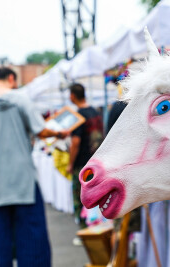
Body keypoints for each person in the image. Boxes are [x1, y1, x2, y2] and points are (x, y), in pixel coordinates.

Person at [0, 66, 69, 267]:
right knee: (33, 245)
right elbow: (40, 131)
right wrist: (58, 133)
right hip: (25, 185)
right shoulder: (20, 99)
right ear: (11, 78)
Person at [68, 83, 103, 236]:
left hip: (82, 164)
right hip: (97, 162)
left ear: (72, 96)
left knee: (81, 198)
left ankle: (85, 231)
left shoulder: (78, 116)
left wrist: (70, 164)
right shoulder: (95, 112)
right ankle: (98, 228)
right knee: (96, 196)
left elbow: (75, 143)